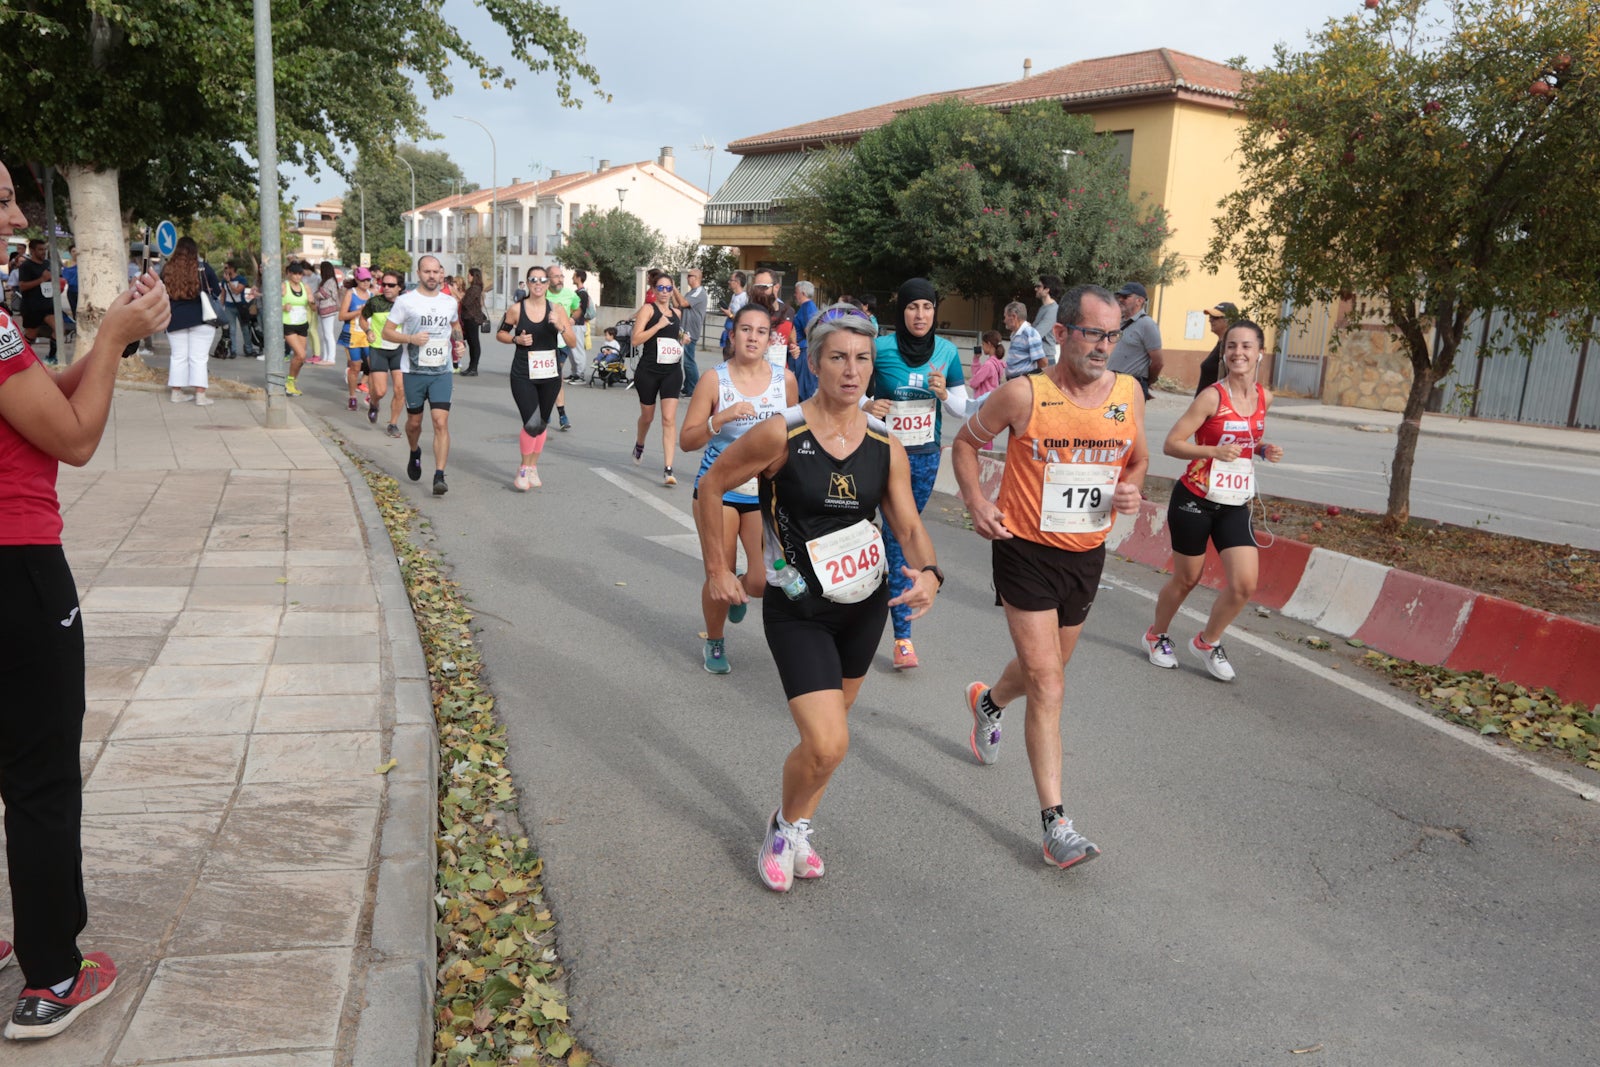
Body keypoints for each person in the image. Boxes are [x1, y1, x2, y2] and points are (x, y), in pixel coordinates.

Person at [1, 156, 172, 1039]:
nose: (16, 215)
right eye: (1, 199)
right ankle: (53, 977)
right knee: (38, 775)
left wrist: (111, 342)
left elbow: (31, 406)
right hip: (17, 565)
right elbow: (70, 438)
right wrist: (109, 339)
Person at [694, 304, 943, 892]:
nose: (851, 371)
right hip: (800, 608)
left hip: (864, 606)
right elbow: (711, 485)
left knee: (825, 742)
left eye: (862, 359)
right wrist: (717, 568)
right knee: (830, 743)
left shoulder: (885, 444)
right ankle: (783, 828)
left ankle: (797, 824)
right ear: (814, 362)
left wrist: (930, 572)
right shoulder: (782, 432)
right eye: (838, 358)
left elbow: (907, 524)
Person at [951, 283, 1149, 870]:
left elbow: (1137, 459)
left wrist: (1131, 490)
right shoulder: (1023, 394)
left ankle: (989, 703)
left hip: (1086, 554)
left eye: (1113, 335)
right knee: (1049, 683)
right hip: (1024, 550)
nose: (1104, 347)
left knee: (1049, 671)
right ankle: (1055, 824)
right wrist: (976, 502)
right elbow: (965, 445)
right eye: (1092, 334)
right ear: (1061, 333)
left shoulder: (1129, 393)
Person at [1144, 319, 1284, 681]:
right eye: (1231, 346)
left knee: (1244, 584)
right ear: (1224, 352)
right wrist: (1213, 452)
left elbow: (1247, 439)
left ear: (1259, 353)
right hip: (1195, 498)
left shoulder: (1265, 397)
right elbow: (1171, 444)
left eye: (1246, 346)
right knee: (1187, 578)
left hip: (1233, 502)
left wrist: (1262, 449)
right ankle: (1156, 635)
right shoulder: (1212, 397)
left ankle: (1208, 642)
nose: (1238, 353)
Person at [863, 278, 976, 670]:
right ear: (902, 310)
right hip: (881, 454)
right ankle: (900, 635)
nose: (920, 315)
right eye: (913, 307)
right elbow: (851, 389)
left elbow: (963, 408)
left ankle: (887, 611)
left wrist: (944, 394)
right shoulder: (880, 349)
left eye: (927, 307)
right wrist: (867, 405)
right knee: (892, 537)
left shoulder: (947, 352)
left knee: (896, 537)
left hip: (925, 458)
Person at [679, 303, 798, 673]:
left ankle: (739, 593)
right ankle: (715, 641)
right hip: (718, 491)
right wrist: (720, 419)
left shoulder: (785, 381)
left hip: (763, 493)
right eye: (745, 329)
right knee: (722, 571)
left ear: (770, 339)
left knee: (762, 582)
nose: (752, 337)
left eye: (761, 331)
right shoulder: (714, 380)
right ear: (733, 335)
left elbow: (795, 438)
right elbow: (687, 440)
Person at [383, 255, 463, 495]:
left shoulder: (449, 302)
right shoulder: (405, 301)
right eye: (427, 271)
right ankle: (414, 450)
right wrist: (410, 338)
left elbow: (455, 326)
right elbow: (387, 332)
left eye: (435, 271)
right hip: (414, 372)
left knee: (440, 421)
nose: (431, 276)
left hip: (441, 372)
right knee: (414, 423)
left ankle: (439, 475)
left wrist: (460, 343)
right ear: (418, 273)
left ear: (441, 273)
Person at [495, 265, 576, 490]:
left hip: (550, 374)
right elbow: (500, 333)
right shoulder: (516, 309)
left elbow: (572, 342)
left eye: (542, 280)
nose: (538, 284)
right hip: (523, 373)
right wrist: (516, 340)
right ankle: (523, 468)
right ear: (528, 283)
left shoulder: (557, 309)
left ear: (548, 284)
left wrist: (560, 326)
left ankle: (532, 466)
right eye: (533, 280)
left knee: (541, 423)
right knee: (531, 423)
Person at [628, 269, 690, 486]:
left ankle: (668, 469)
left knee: (669, 419)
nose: (665, 292)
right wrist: (657, 325)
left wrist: (683, 338)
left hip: (672, 371)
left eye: (668, 288)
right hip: (649, 371)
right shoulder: (648, 309)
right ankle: (640, 443)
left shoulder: (677, 313)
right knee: (647, 417)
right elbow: (635, 340)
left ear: (673, 290)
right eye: (661, 288)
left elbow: (674, 336)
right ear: (654, 290)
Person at [160, 237, 222, 405]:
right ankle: (200, 396)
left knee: (178, 357)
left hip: (175, 318)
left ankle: (176, 392)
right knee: (199, 358)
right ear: (195, 251)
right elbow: (217, 291)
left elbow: (161, 291)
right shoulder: (203, 268)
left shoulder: (168, 269)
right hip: (201, 317)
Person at [361, 272, 406, 434]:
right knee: (380, 391)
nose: (386, 288)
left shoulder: (405, 304)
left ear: (399, 287)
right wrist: (368, 331)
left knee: (400, 389)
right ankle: (374, 403)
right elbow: (362, 319)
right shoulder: (375, 302)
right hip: (378, 348)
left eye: (391, 285)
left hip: (398, 350)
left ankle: (393, 424)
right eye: (384, 284)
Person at [1107, 281, 1164, 399]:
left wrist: (1146, 382)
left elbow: (1158, 362)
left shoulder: (1147, 325)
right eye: (1119, 296)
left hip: (1131, 384)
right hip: (1110, 381)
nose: (1120, 299)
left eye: (1125, 297)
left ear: (1139, 301)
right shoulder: (1118, 321)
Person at [545, 264, 579, 430]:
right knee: (546, 377)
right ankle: (545, 409)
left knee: (556, 376)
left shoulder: (570, 294)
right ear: (548, 279)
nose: (560, 279)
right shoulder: (542, 293)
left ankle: (562, 414)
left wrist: (572, 318)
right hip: (544, 341)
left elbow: (578, 308)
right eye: (556, 276)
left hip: (562, 341)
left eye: (561, 276)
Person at [16, 240, 58, 365]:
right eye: (40, 249)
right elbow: (22, 286)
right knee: (31, 335)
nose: (43, 252)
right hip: (32, 307)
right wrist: (42, 279)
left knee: (59, 329)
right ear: (32, 251)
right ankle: (20, 358)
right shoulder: (26, 266)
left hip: (48, 305)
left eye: (44, 249)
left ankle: (51, 357)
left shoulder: (47, 264)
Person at [339, 269, 374, 411]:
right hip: (353, 334)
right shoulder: (351, 293)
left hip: (367, 335)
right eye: (363, 280)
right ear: (357, 280)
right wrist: (359, 312)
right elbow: (341, 316)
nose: (366, 282)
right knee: (356, 368)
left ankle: (371, 396)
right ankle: (352, 397)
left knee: (374, 367)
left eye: (368, 280)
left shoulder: (372, 295)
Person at [280, 261, 313, 396]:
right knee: (301, 354)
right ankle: (289, 382)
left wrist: (312, 302)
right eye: (295, 274)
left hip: (302, 324)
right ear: (289, 273)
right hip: (288, 324)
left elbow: (314, 308)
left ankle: (292, 382)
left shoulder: (305, 287)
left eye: (300, 274)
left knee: (301, 359)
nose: (298, 277)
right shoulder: (284, 286)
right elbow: (271, 304)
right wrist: (283, 307)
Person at [1194, 301, 1239, 394]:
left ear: (1228, 320)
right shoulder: (1221, 344)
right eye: (1210, 317)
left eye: (1215, 317)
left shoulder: (1229, 348)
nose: (1210, 320)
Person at [790, 279, 820, 400]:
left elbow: (810, 330)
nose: (795, 295)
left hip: (804, 351)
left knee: (803, 389)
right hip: (803, 350)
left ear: (802, 293)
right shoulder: (807, 307)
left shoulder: (808, 307)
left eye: (796, 292)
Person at [681, 266, 709, 394]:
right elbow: (679, 305)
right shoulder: (691, 292)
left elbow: (684, 303)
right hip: (685, 329)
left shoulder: (699, 292)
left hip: (691, 331)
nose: (687, 278)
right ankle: (688, 386)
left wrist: (674, 289)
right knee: (686, 360)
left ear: (696, 278)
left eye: (689, 276)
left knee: (688, 361)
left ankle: (694, 388)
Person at [1002, 300, 1047, 379]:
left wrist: (1034, 379)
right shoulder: (1015, 333)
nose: (1004, 321)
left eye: (1005, 317)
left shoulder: (1030, 333)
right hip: (1015, 381)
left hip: (1022, 381)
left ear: (1014, 317)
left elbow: (1042, 362)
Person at [565, 268, 594, 382]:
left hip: (578, 325)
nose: (572, 278)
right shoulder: (577, 292)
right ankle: (574, 373)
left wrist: (572, 318)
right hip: (573, 325)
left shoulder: (582, 293)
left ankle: (580, 374)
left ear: (579, 278)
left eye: (574, 276)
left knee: (578, 350)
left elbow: (581, 309)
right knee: (572, 351)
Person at [458, 267, 486, 376]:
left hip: (472, 318)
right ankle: (471, 367)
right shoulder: (475, 288)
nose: (467, 277)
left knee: (474, 343)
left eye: (469, 275)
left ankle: (473, 368)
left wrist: (459, 296)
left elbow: (466, 302)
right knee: (472, 343)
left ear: (473, 276)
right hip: (470, 318)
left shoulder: (474, 288)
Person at [219, 264, 249, 359]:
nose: (225, 270)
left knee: (245, 328)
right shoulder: (224, 281)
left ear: (232, 268)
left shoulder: (241, 279)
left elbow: (236, 291)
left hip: (240, 306)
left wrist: (229, 282)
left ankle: (249, 349)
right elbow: (223, 295)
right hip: (229, 307)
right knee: (231, 330)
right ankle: (233, 350)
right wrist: (221, 308)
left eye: (226, 268)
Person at [314, 262, 341, 365]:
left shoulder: (330, 281)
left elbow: (323, 294)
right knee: (325, 335)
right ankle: (325, 357)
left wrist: (316, 294)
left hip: (328, 310)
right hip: (325, 310)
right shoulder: (328, 281)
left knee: (328, 334)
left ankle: (331, 358)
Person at [1033, 276, 1061, 364]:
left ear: (1047, 290)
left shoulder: (1053, 310)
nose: (1035, 289)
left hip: (1046, 359)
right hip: (1039, 357)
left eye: (1039, 286)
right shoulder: (1043, 308)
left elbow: (1036, 334)